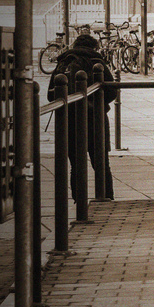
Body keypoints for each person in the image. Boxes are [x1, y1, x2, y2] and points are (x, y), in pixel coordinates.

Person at [53, 33, 114, 199]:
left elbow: (51, 94)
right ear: (94, 47)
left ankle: (79, 203)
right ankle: (106, 198)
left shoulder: (64, 61)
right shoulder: (97, 62)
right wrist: (99, 102)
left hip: (69, 120)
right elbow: (112, 90)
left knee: (76, 164)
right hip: (96, 119)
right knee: (101, 164)